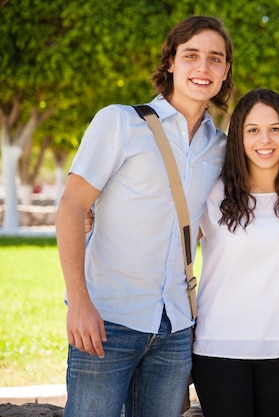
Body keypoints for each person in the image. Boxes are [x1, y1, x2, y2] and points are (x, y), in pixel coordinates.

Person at [55, 16, 233, 417]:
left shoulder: (221, 148)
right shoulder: (121, 122)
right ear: (170, 62)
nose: (203, 68)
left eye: (215, 59)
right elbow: (71, 205)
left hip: (175, 329)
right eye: (191, 56)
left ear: (225, 72)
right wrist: (78, 302)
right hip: (107, 320)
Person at [191, 88, 279, 417]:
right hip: (219, 346)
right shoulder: (211, 191)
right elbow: (168, 241)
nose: (265, 140)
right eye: (253, 130)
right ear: (238, 137)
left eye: (275, 129)